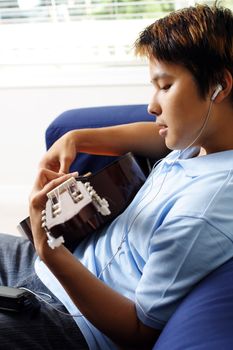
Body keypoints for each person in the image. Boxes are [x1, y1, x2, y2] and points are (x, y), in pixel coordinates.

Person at [1, 3, 233, 349]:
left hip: (69, 321)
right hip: (47, 270)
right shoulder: (202, 142)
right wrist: (77, 138)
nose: (153, 106)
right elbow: (151, 136)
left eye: (165, 86)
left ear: (219, 85)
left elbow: (137, 332)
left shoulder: (202, 210)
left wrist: (49, 249)